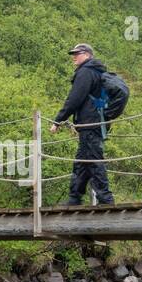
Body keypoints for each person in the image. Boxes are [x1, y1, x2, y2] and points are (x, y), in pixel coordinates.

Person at [50, 43, 114, 206]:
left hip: (90, 123)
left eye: (77, 54)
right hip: (95, 122)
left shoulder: (86, 72)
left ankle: (106, 200)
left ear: (87, 54)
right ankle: (74, 197)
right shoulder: (97, 71)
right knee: (82, 161)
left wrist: (58, 120)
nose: (74, 57)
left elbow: (75, 99)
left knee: (93, 160)